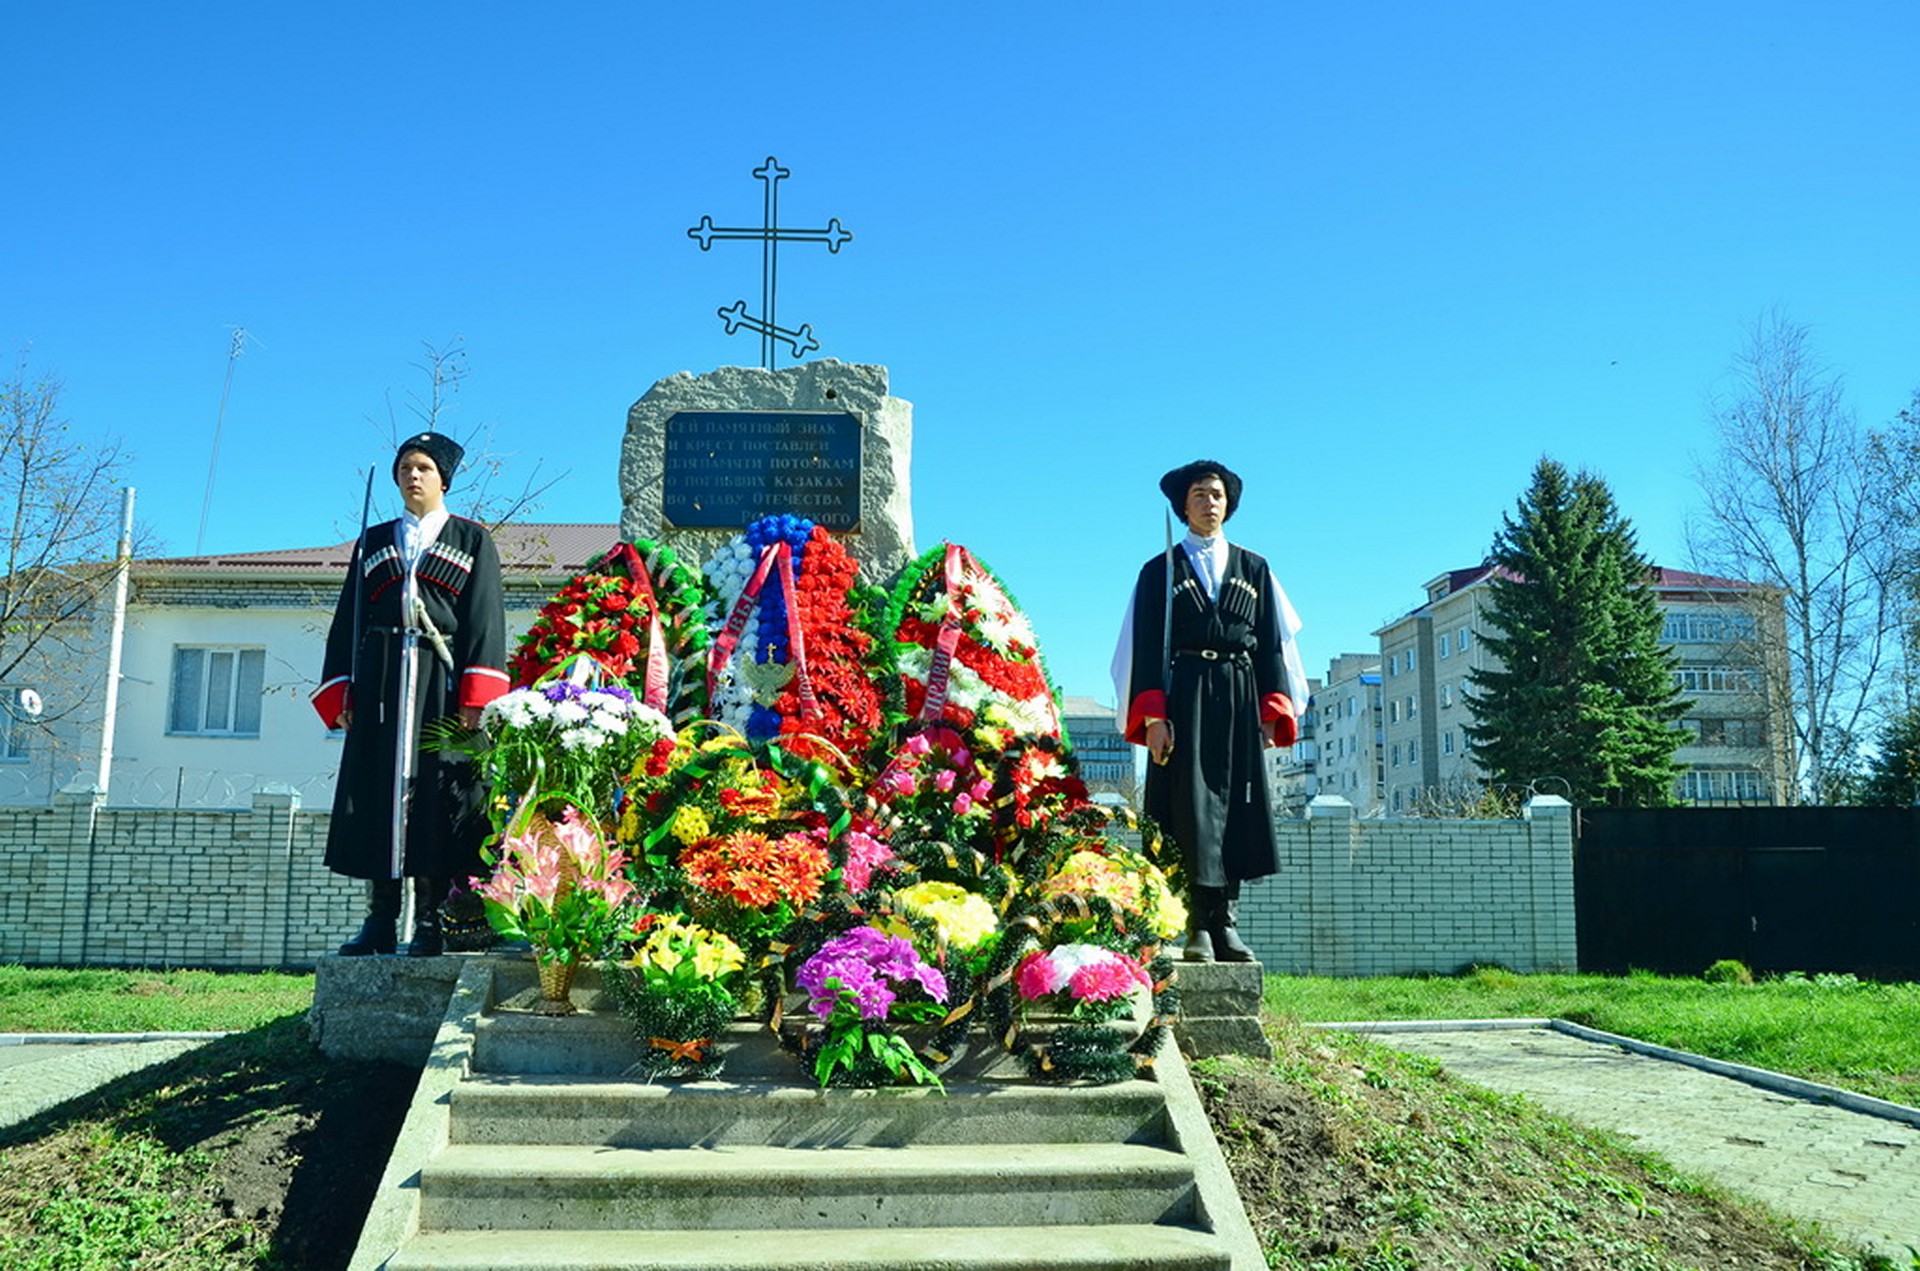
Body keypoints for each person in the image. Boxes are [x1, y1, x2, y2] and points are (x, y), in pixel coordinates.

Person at [311, 433, 509, 956]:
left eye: (422, 467)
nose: (412, 476)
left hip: (439, 686)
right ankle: (379, 921)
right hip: (379, 685)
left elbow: (486, 622)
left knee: (435, 800)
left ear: (443, 478)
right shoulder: (374, 541)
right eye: (404, 468)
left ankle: (429, 923)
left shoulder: (472, 540)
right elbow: (349, 618)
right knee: (378, 798)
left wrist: (475, 700)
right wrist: (343, 689)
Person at [1112, 459, 1307, 961]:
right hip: (1187, 696)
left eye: (1217, 494)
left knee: (1237, 811)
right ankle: (1196, 925)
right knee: (1190, 811)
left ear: (1229, 503)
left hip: (1240, 698)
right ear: (1184, 505)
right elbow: (1143, 649)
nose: (1209, 502)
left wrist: (1271, 711)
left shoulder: (1255, 568)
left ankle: (1228, 924)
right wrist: (1154, 718)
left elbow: (1273, 646)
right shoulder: (1160, 571)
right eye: (1199, 494)